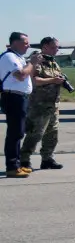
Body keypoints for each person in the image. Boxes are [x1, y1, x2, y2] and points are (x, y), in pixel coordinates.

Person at [1, 32, 42, 178]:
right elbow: (20, 75)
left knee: (18, 132)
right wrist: (31, 62)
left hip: (20, 97)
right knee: (15, 133)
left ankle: (16, 164)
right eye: (25, 43)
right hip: (13, 97)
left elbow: (28, 75)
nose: (28, 46)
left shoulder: (18, 57)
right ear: (15, 43)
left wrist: (33, 64)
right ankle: (12, 167)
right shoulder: (9, 57)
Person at [20, 37, 65, 170]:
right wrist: (53, 80)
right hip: (39, 106)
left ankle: (47, 159)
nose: (56, 50)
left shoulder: (53, 62)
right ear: (44, 47)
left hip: (53, 105)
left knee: (52, 134)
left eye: (57, 47)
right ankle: (24, 159)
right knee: (35, 134)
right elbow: (34, 81)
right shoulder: (37, 60)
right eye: (53, 47)